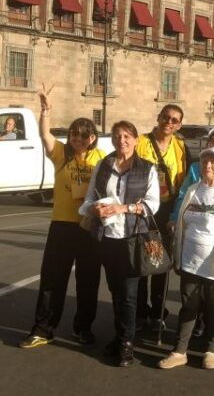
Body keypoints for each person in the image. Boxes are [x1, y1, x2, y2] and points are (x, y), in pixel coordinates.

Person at [20, 85, 107, 349]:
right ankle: (43, 329)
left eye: (82, 136)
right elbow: (45, 135)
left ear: (92, 137)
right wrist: (45, 109)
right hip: (62, 225)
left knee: (88, 281)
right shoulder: (61, 154)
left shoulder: (102, 159)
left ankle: (83, 328)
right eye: (73, 135)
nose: (77, 140)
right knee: (52, 279)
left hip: (89, 227)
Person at [79, 120, 159, 367]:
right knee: (115, 290)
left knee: (129, 294)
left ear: (136, 140)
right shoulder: (104, 165)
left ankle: (127, 344)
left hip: (132, 238)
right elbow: (91, 195)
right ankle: (120, 335)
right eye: (117, 136)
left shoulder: (147, 168)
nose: (121, 140)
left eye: (126, 136)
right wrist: (93, 207)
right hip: (108, 237)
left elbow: (153, 204)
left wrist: (123, 208)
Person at [158, 147, 214, 370]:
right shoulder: (193, 190)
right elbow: (182, 223)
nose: (208, 166)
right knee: (188, 306)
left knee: (213, 308)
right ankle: (179, 351)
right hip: (189, 261)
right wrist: (177, 254)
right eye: (205, 161)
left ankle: (211, 350)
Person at [135, 104, 189, 329]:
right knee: (140, 261)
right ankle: (139, 312)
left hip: (166, 210)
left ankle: (158, 313)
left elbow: (184, 180)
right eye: (166, 117)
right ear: (158, 117)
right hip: (143, 209)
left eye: (174, 120)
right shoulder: (141, 141)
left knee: (160, 264)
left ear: (179, 125)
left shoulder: (180, 146)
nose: (169, 122)